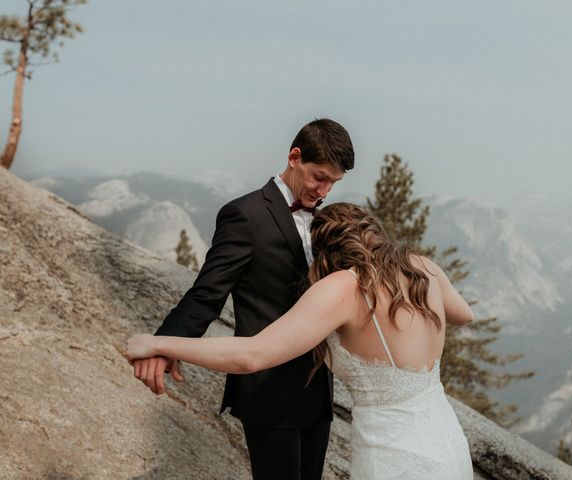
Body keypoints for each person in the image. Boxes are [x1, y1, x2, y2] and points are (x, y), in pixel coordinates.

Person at [128, 202, 475, 479]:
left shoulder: (345, 286)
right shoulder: (421, 267)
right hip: (447, 444)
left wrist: (159, 344)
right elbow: (464, 314)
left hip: (394, 457)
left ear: (326, 252)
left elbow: (252, 354)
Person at [131, 118, 355, 480]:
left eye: (334, 182)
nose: (325, 191)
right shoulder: (244, 215)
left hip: (318, 392)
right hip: (269, 392)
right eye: (320, 177)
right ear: (294, 156)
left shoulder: (324, 220)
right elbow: (206, 295)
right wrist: (164, 346)